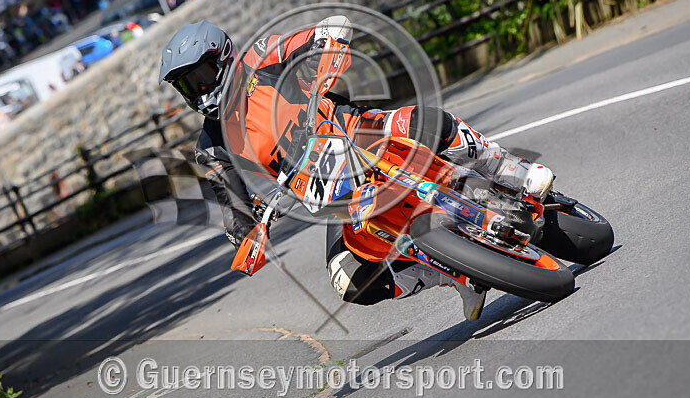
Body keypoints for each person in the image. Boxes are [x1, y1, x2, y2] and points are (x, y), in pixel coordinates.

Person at [159, 19, 555, 320]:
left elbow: (333, 29)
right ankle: (453, 275)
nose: (199, 90)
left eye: (200, 76)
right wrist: (249, 236)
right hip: (334, 193)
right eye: (187, 86)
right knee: (346, 279)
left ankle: (512, 172)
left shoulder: (263, 59)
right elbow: (233, 208)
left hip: (359, 132)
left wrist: (325, 67)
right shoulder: (211, 148)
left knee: (425, 122)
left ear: (223, 58)